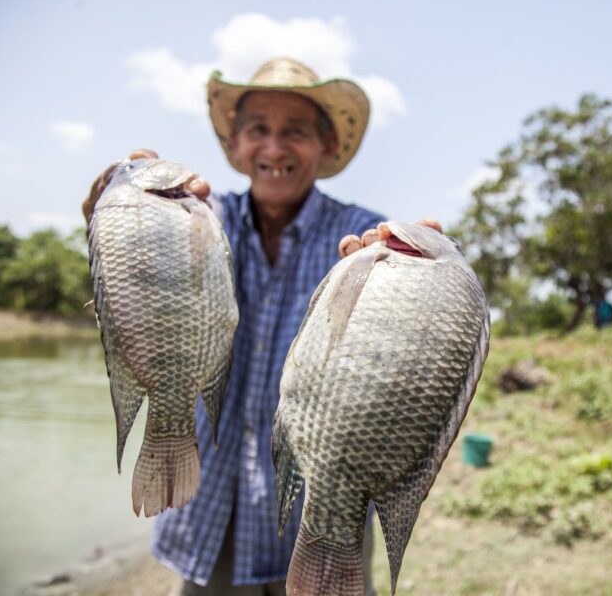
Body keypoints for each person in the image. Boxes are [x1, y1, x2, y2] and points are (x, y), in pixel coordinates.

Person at [83, 57, 438, 595]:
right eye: (258, 131)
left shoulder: (365, 243)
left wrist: (418, 288)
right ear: (235, 146)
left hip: (319, 524)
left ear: (327, 148)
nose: (274, 148)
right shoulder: (198, 216)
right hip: (209, 520)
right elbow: (136, 300)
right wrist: (117, 214)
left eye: (294, 132)